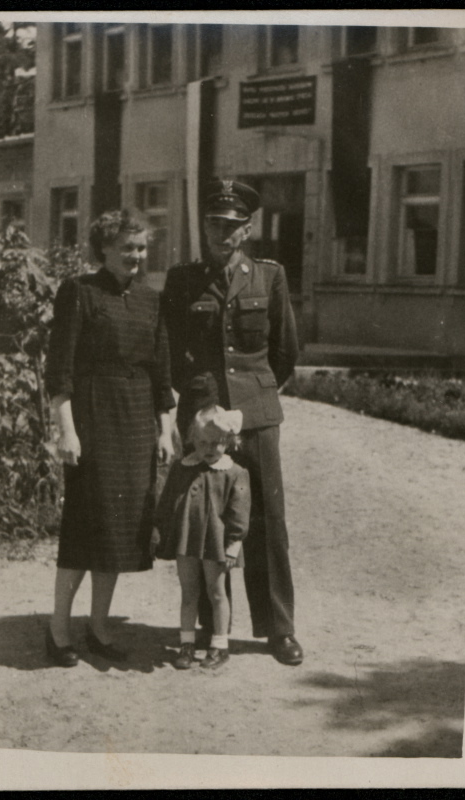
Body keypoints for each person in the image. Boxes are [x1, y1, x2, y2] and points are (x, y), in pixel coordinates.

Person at [162, 179, 303, 666]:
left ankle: (278, 629)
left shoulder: (268, 276)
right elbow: (171, 350)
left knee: (267, 520)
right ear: (203, 227)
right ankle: (210, 626)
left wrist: (252, 399)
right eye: (213, 224)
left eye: (230, 226)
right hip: (203, 415)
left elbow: (284, 351)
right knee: (204, 520)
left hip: (256, 417)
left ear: (246, 230)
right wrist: (200, 400)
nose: (220, 234)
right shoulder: (183, 280)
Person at [44, 208, 175, 667]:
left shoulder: (150, 299)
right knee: (85, 526)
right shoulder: (79, 292)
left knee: (118, 530)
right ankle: (59, 629)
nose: (136, 256)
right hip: (94, 420)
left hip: (136, 423)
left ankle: (99, 628)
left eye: (141, 248)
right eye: (126, 248)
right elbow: (59, 371)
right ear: (103, 248)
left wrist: (165, 429)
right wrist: (67, 431)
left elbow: (161, 372)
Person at [151, 406, 250, 670]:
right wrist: (158, 531)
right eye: (203, 442)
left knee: (216, 593)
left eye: (216, 443)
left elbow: (240, 513)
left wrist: (233, 545)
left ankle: (220, 645)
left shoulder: (235, 472)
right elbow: (167, 502)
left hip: (216, 543)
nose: (209, 448)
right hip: (186, 540)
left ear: (228, 441)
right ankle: (187, 644)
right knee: (188, 592)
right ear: (192, 439)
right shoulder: (182, 468)